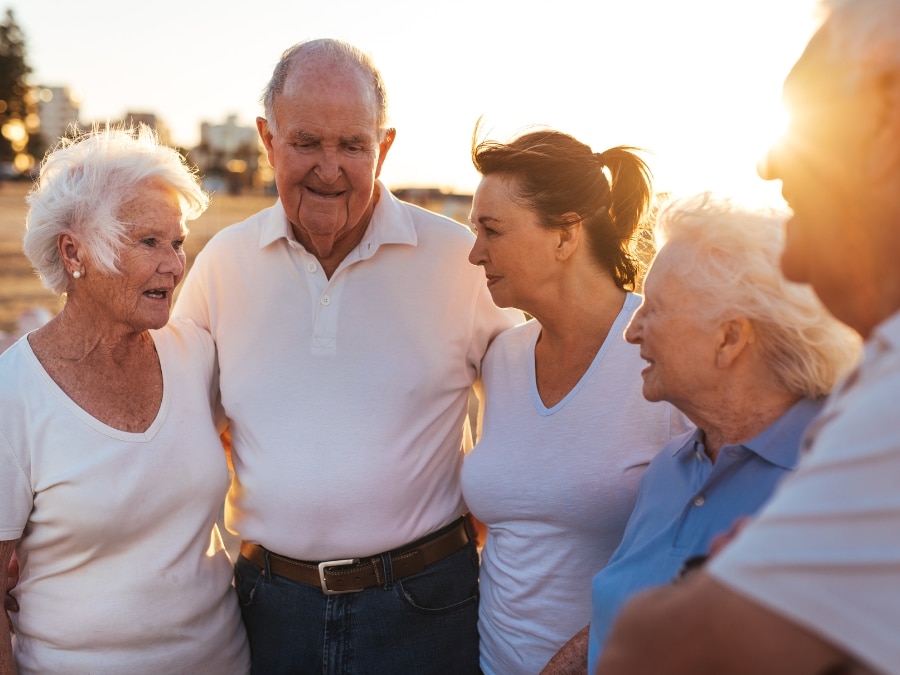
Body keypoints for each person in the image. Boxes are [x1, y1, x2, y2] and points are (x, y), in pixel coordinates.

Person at [172, 39, 519, 674]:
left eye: (352, 146)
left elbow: (531, 408)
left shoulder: (460, 261)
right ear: (267, 141)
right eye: (306, 142)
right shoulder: (223, 264)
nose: (329, 169)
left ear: (383, 148)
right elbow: (173, 424)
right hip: (266, 609)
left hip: (425, 606)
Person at [596, 1, 900, 673]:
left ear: (884, 121)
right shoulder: (670, 470)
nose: (767, 167)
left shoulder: (882, 414)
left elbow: (651, 654)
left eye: (795, 170)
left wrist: (713, 591)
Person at [543, 193, 857, 674]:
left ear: (730, 338)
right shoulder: (671, 466)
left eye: (655, 309)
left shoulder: (840, 482)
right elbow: (623, 606)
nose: (632, 331)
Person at [0, 126, 250, 674]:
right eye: (148, 242)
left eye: (178, 242)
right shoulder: (13, 394)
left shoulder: (197, 353)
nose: (175, 265)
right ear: (74, 251)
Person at [460, 129, 688, 674]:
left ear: (565, 236)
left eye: (491, 231)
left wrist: (577, 657)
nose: (473, 253)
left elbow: (708, 547)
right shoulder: (502, 358)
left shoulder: (663, 350)